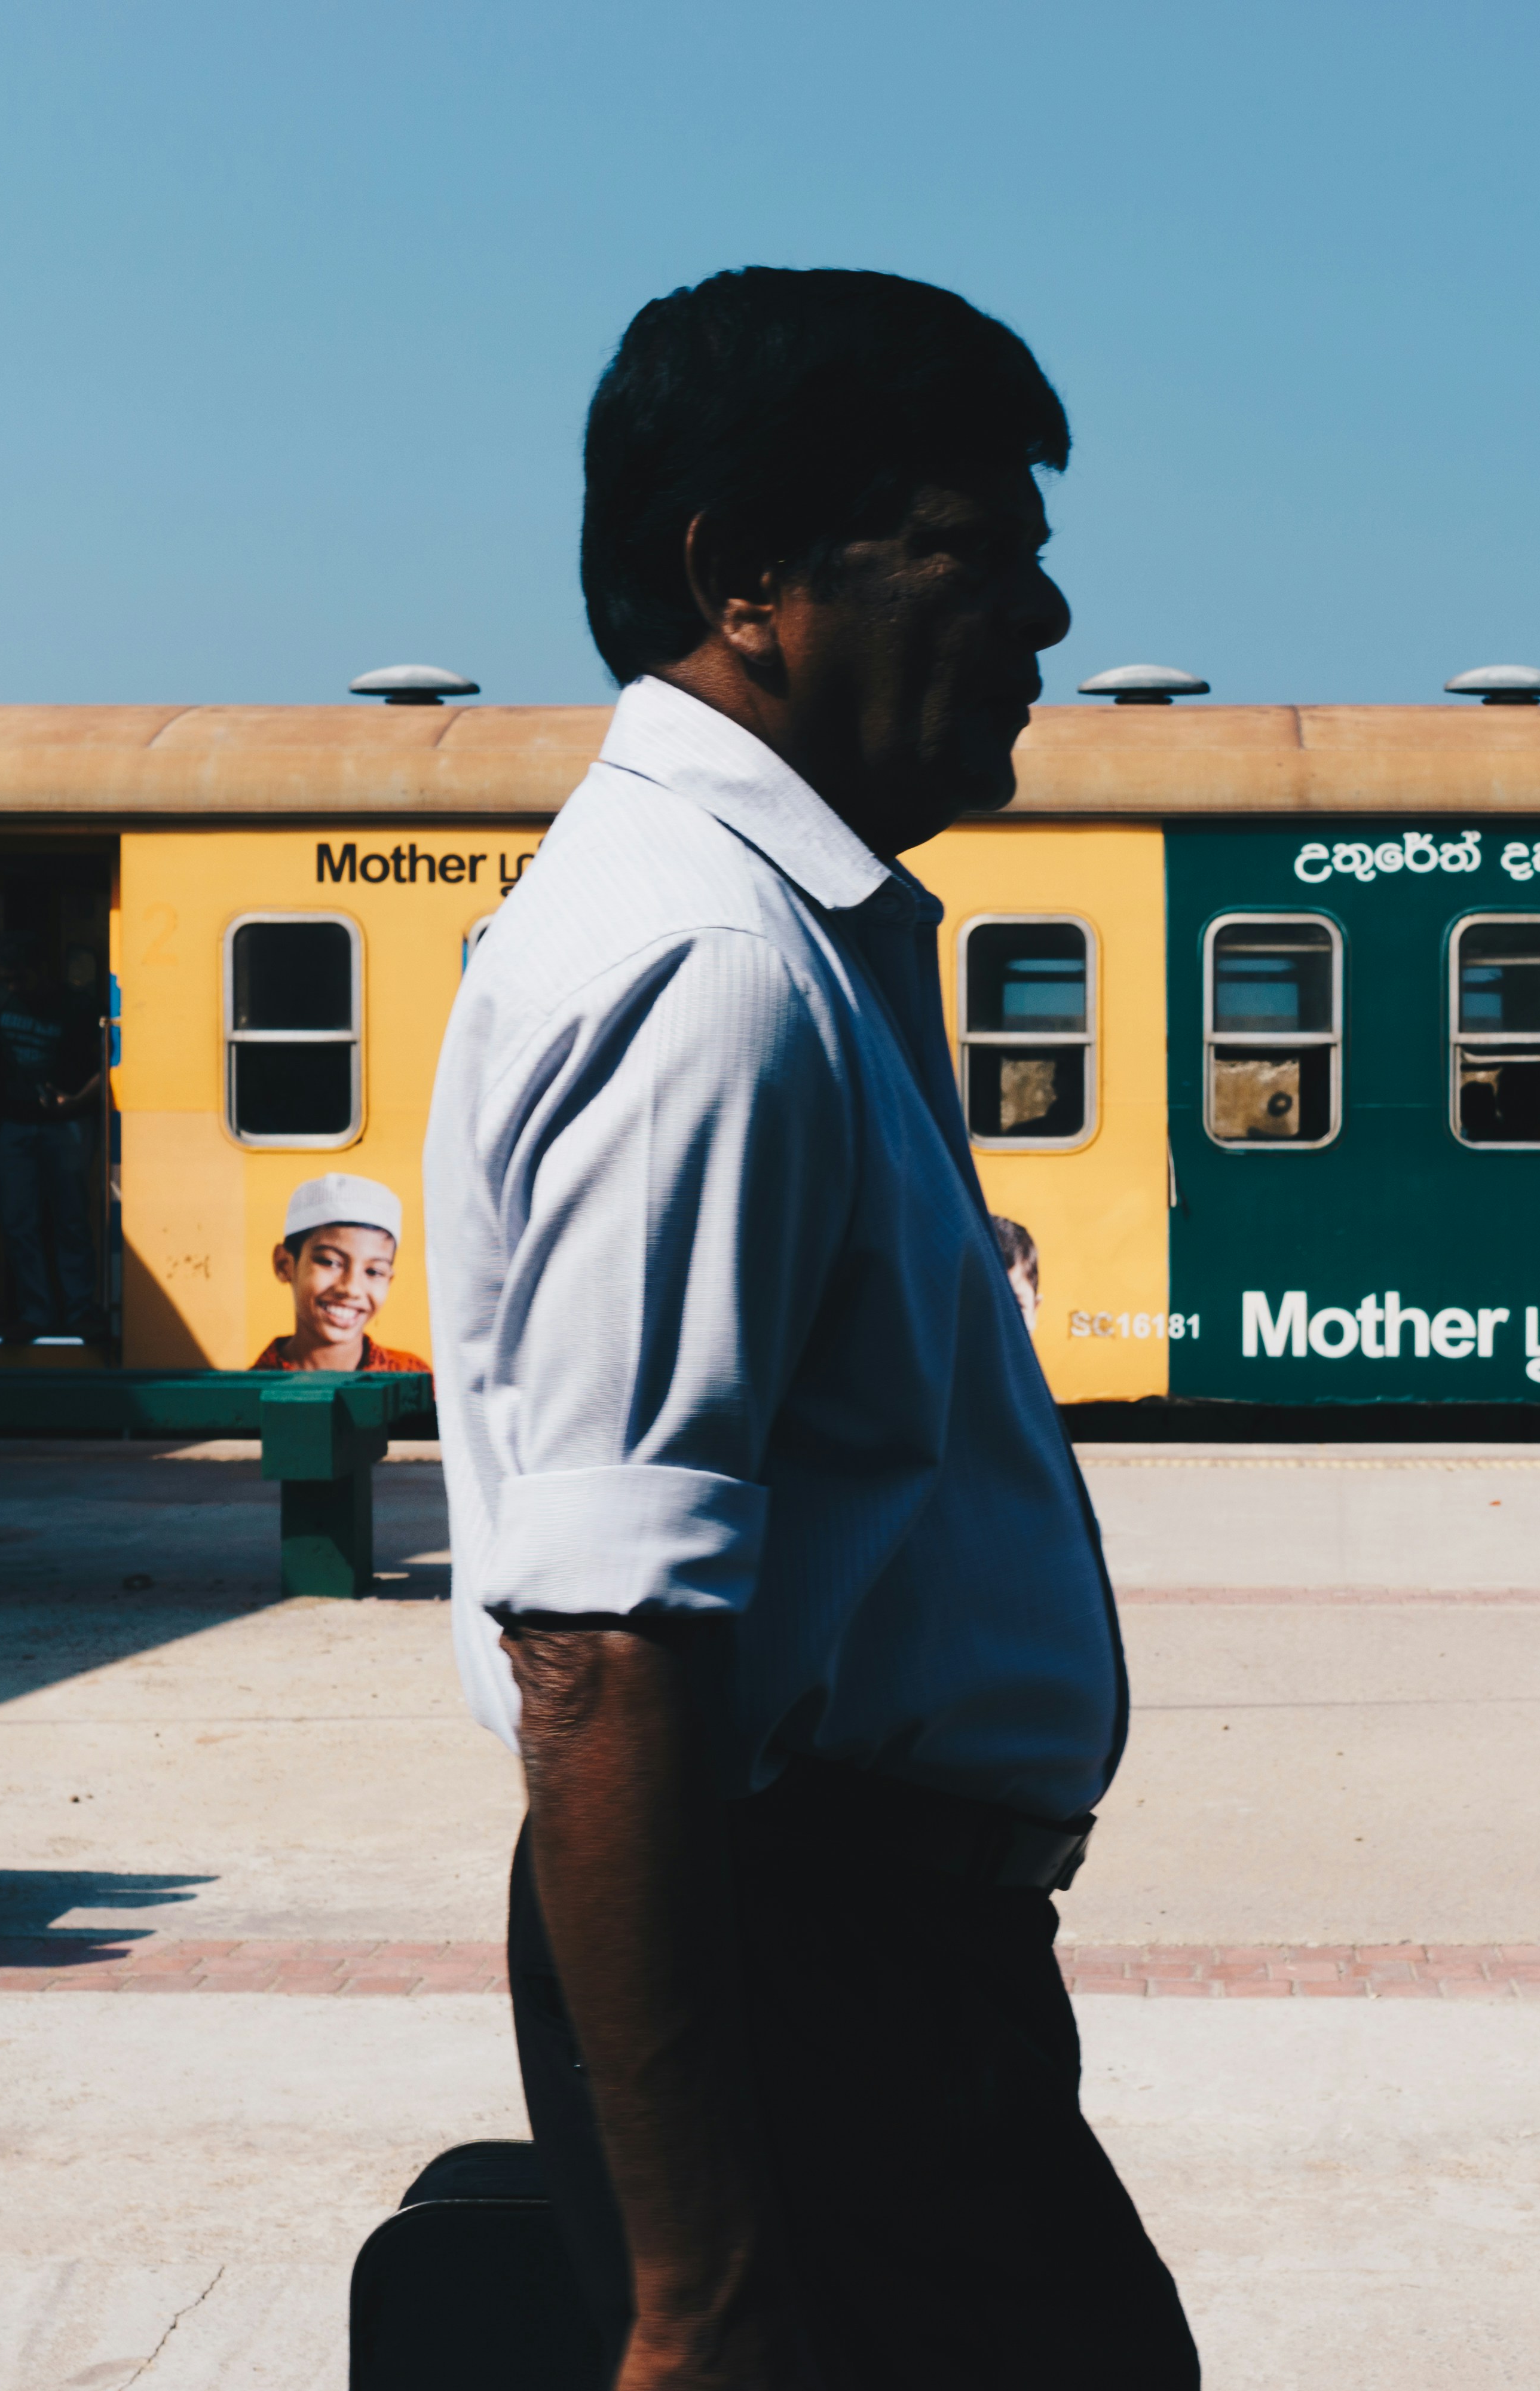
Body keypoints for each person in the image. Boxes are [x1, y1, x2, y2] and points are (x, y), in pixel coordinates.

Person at [425, 268, 1194, 2389]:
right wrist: (704, 2296)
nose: (1041, 624)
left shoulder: (777, 929)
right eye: (981, 556)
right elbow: (603, 1644)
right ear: (745, 576)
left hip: (869, 1957)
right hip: (807, 1967)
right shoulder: (710, 968)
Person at [0, 944, 106, 1342]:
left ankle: (80, 1313)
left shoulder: (76, 1007)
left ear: (43, 968)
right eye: (7, 978)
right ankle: (36, 1314)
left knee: (71, 1219)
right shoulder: (0, 1000)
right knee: (19, 1222)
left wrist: (75, 1102)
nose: (14, 986)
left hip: (66, 1124)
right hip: (15, 1123)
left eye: (21, 977)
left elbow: (109, 1065)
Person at [252, 1173, 429, 1372]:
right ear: (284, 1264)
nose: (351, 1289)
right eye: (330, 1262)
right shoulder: (248, 1392)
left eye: (373, 1272)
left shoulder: (412, 1376)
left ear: (389, 1280)